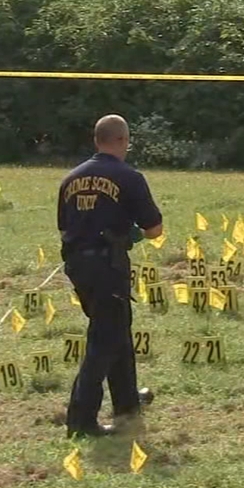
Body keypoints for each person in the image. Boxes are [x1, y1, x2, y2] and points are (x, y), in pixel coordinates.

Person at [57, 114, 164, 439]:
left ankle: (127, 405)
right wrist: (133, 234)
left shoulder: (70, 178)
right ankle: (81, 419)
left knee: (117, 330)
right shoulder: (129, 177)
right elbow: (154, 229)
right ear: (123, 141)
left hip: (77, 265)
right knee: (103, 341)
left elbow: (64, 227)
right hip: (108, 266)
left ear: (96, 140)